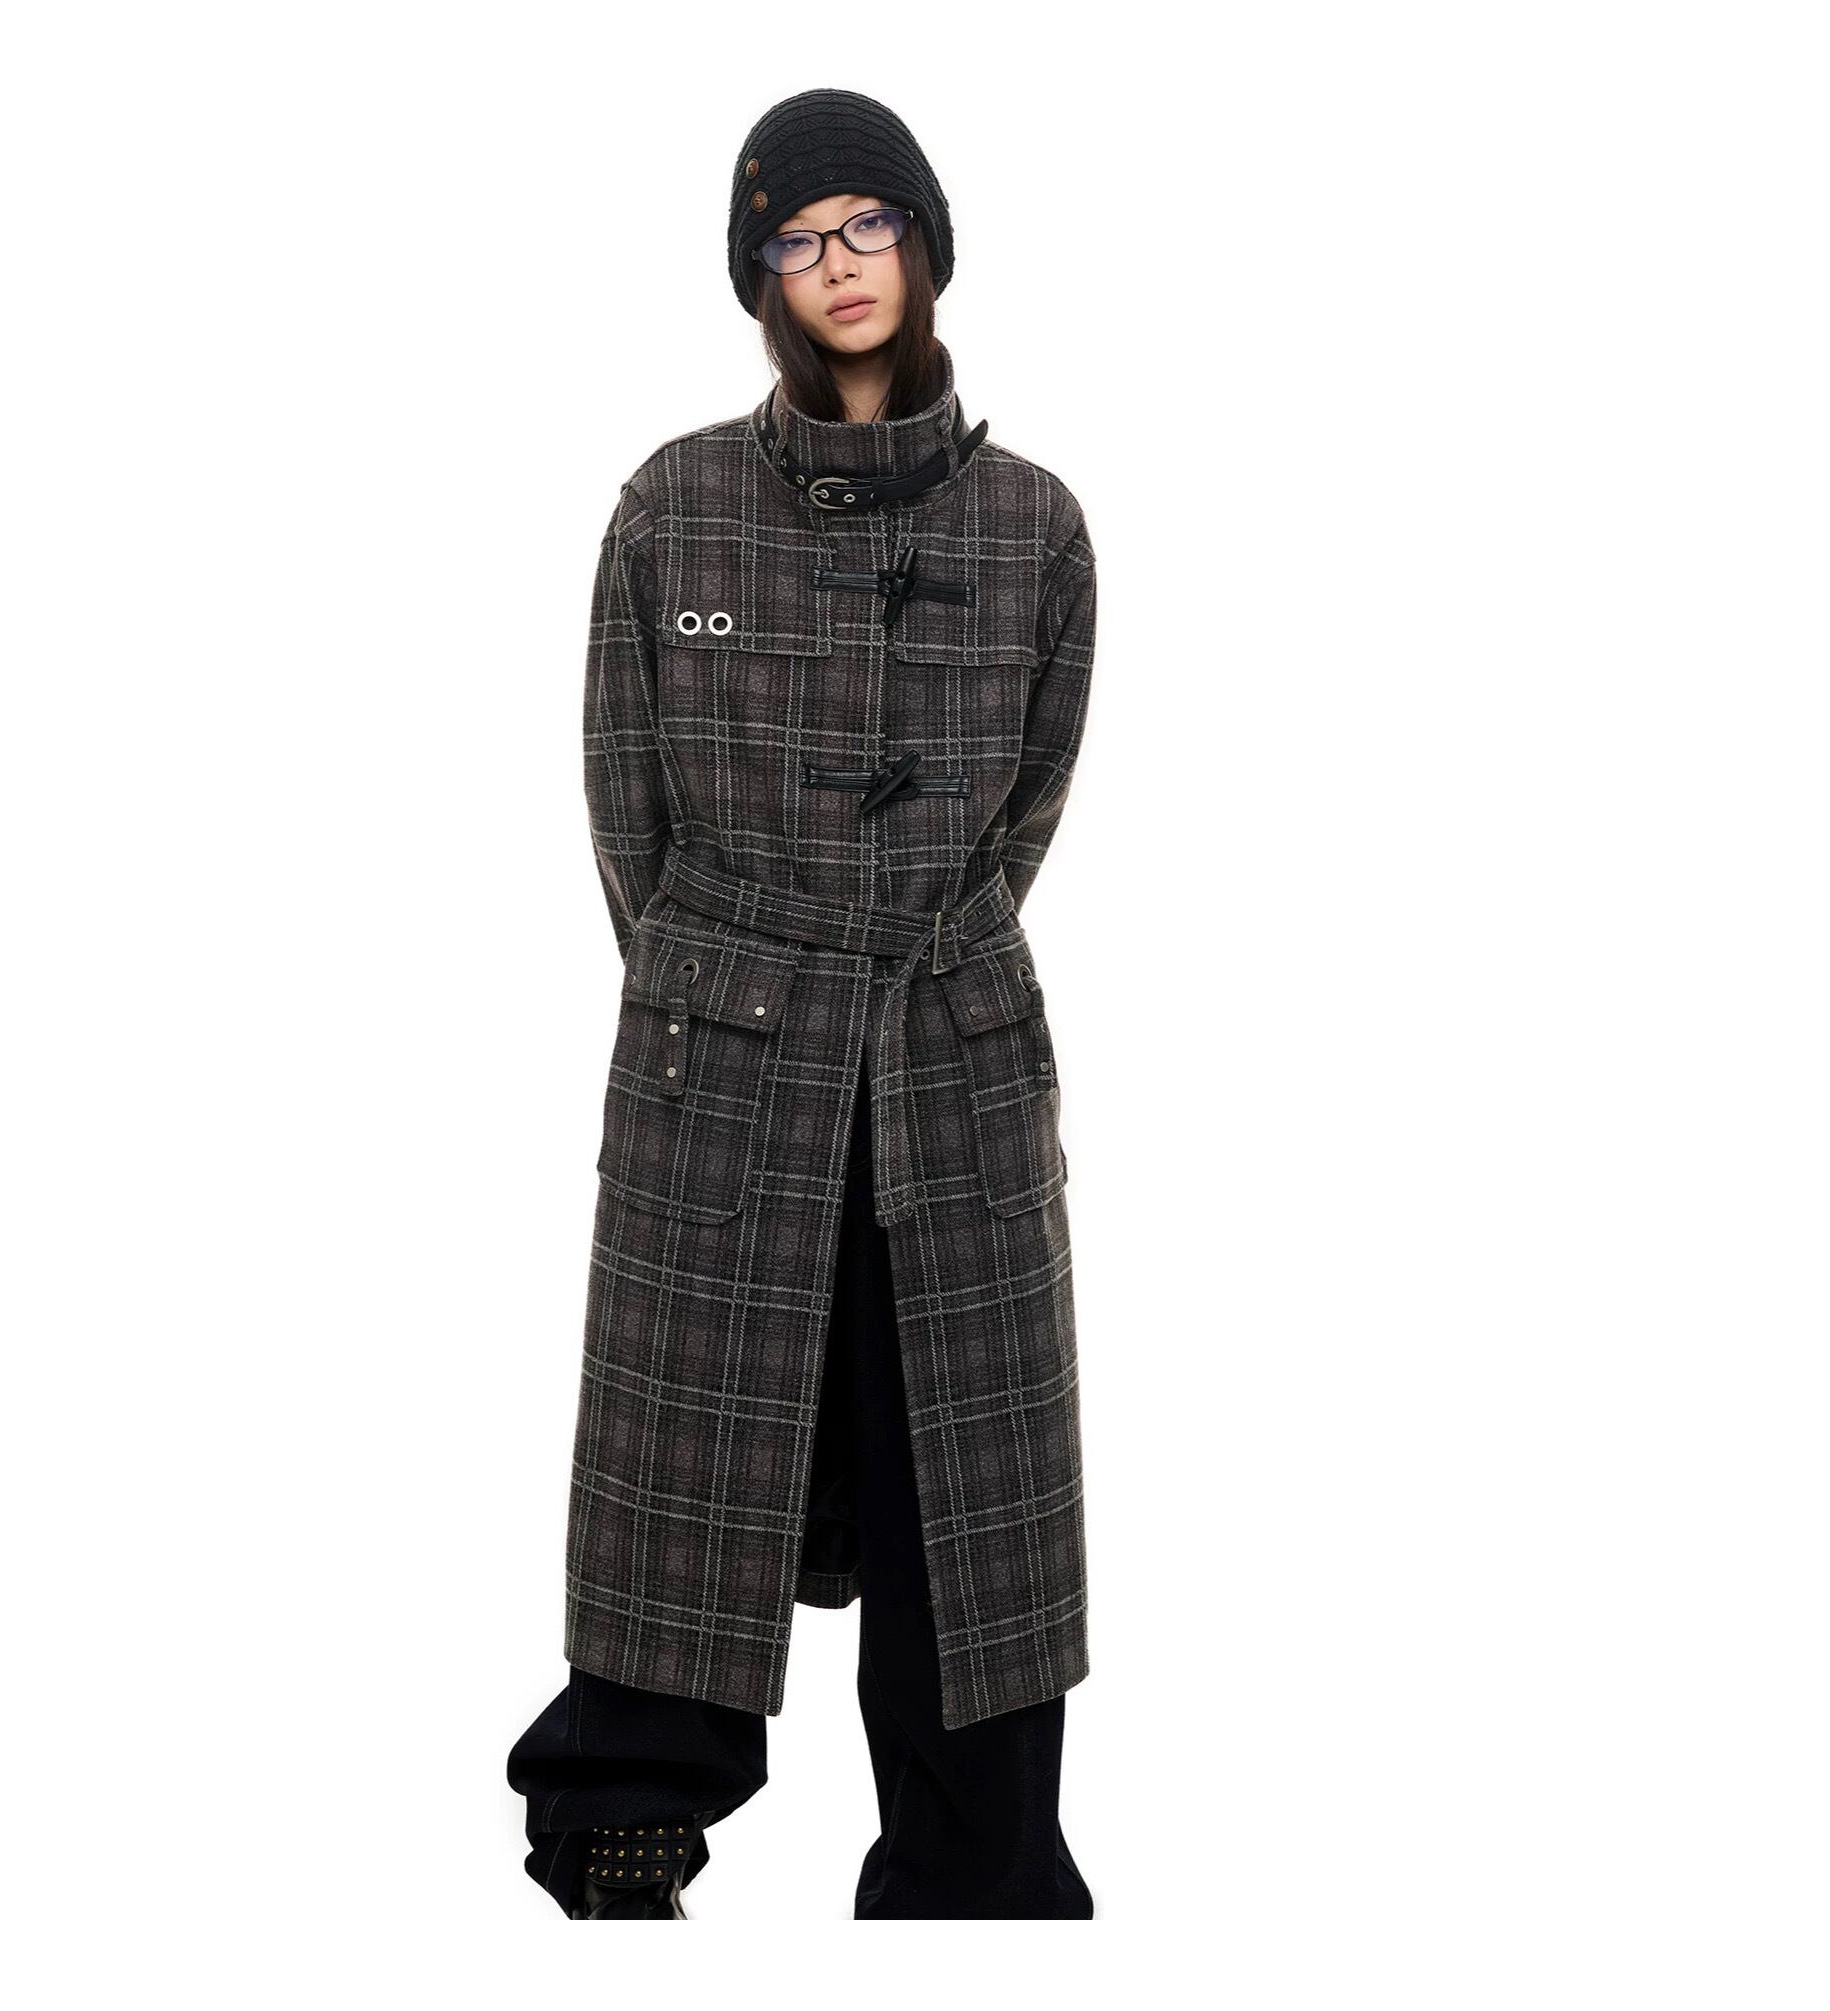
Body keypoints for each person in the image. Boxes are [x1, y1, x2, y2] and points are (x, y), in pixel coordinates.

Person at [507, 86, 1099, 1920]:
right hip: (726, 1047)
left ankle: (976, 1875)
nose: (838, 265)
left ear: (924, 246)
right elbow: (627, 804)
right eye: (797, 238)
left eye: (868, 225)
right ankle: (624, 1816)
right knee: (686, 1447)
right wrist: (731, 987)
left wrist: (901, 963)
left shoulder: (1035, 525)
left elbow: (1026, 808)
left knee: (964, 1485)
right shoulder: (674, 504)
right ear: (759, 276)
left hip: (948, 1048)